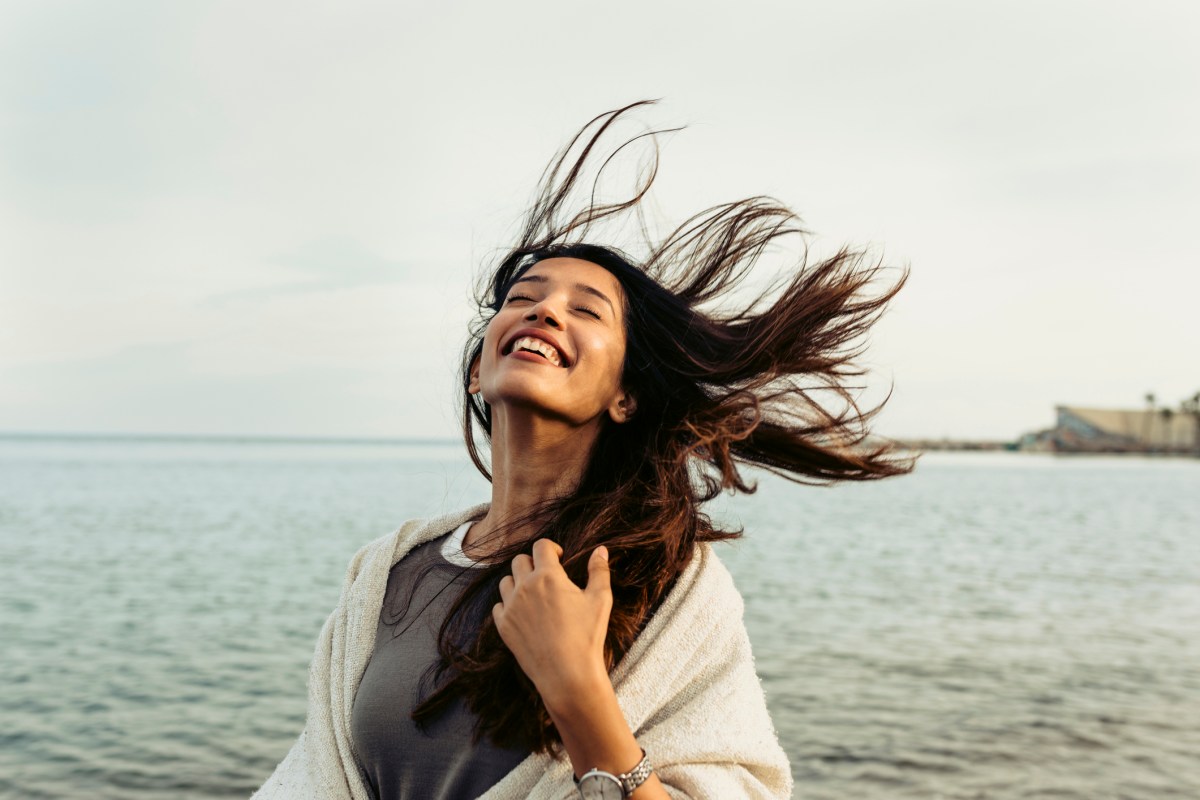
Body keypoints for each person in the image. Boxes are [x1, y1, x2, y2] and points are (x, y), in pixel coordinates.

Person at [250, 101, 914, 800]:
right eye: (524, 297)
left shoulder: (668, 582)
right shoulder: (390, 572)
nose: (545, 310)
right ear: (478, 370)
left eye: (586, 309)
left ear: (625, 395)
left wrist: (577, 692)